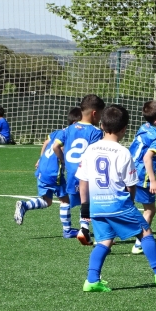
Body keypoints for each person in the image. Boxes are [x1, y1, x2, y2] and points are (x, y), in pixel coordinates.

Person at [76, 104, 156, 292]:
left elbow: (83, 182)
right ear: (125, 128)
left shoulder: (90, 150)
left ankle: (92, 280)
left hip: (96, 206)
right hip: (118, 203)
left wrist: (85, 207)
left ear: (101, 125)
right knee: (145, 232)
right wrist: (131, 202)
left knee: (104, 242)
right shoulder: (123, 152)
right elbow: (131, 184)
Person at [14, 107, 82, 237]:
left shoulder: (58, 132)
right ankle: (67, 230)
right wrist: (63, 160)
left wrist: (40, 158)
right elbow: (59, 147)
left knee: (47, 201)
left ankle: (25, 205)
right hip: (53, 172)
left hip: (42, 168)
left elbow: (46, 142)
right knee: (65, 200)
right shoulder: (70, 134)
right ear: (75, 123)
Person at [52, 94, 105, 244]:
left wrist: (64, 160)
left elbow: (56, 146)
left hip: (71, 173)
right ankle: (86, 229)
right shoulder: (95, 132)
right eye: (100, 114)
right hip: (86, 174)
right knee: (89, 202)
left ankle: (68, 229)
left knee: (67, 202)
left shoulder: (68, 129)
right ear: (95, 113)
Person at [128, 100, 156, 254]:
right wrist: (153, 180)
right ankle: (139, 243)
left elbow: (142, 149)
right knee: (150, 209)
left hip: (128, 170)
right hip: (142, 174)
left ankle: (106, 238)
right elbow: (147, 157)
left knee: (125, 205)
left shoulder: (143, 127)